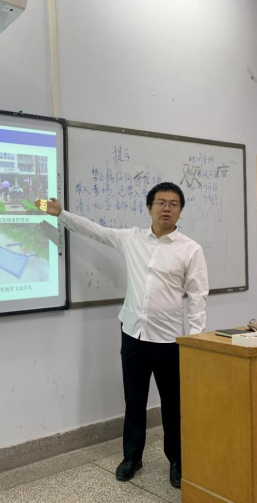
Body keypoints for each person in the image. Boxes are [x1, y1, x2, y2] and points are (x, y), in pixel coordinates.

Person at [35, 182, 208, 489]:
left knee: (173, 405)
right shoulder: (131, 238)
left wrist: (195, 341)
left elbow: (197, 297)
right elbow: (94, 231)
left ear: (180, 210)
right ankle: (132, 457)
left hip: (169, 340)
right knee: (134, 399)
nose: (166, 208)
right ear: (149, 207)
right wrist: (61, 214)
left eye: (173, 204)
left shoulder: (190, 249)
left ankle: (177, 460)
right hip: (132, 334)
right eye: (161, 202)